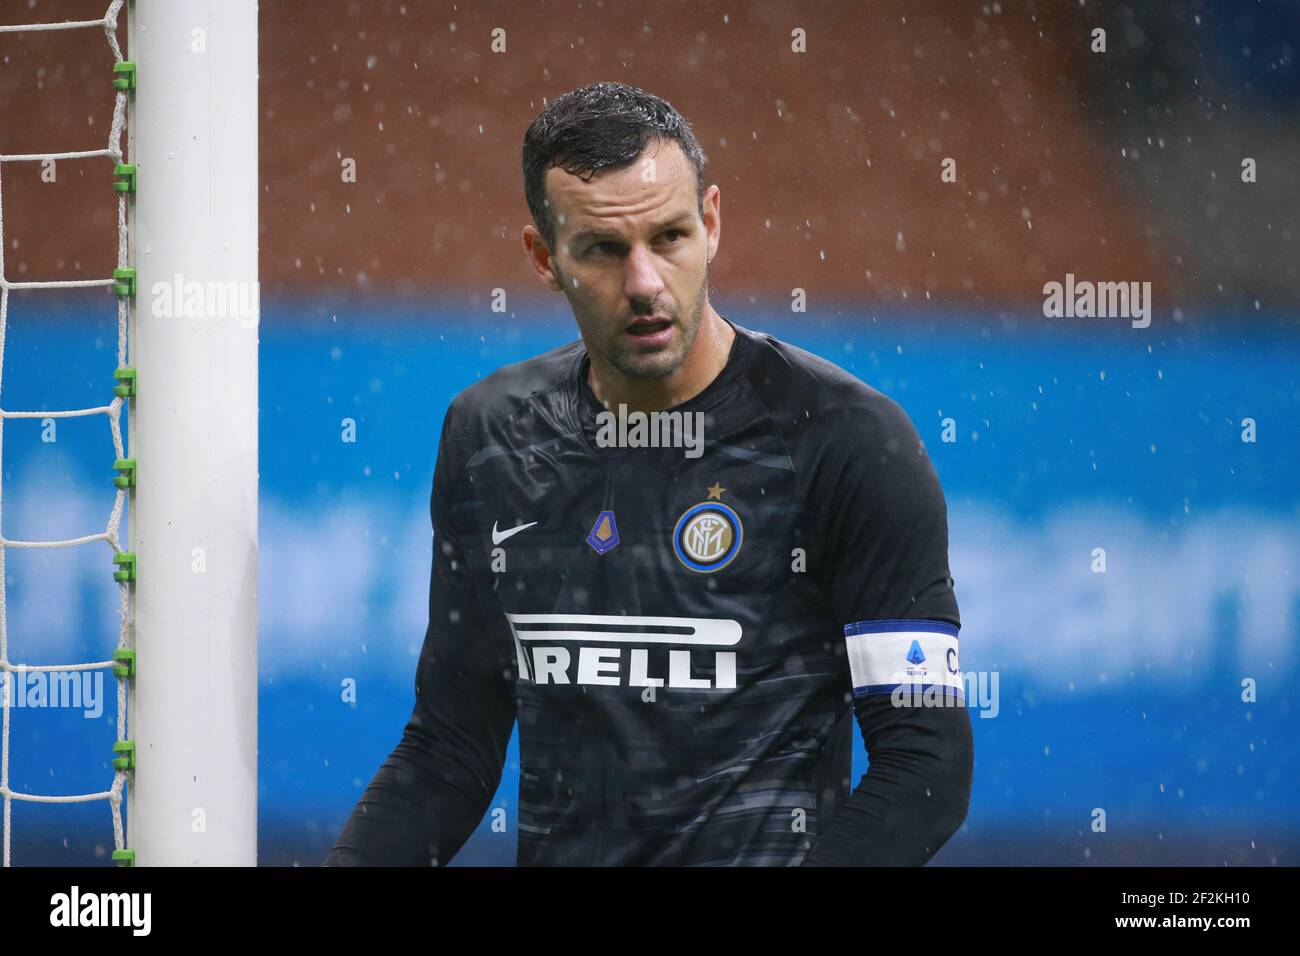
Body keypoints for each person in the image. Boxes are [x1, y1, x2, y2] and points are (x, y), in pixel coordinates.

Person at [325, 81, 972, 866]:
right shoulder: (491, 437)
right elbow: (451, 748)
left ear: (712, 224)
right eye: (602, 249)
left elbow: (925, 765)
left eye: (669, 237)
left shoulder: (846, 441)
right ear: (542, 257)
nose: (644, 284)